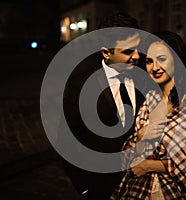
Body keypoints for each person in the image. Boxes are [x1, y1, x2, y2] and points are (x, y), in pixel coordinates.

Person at [110, 31, 186, 199]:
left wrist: (149, 165)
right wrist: (140, 137)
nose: (154, 67)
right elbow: (131, 153)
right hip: (143, 188)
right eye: (149, 61)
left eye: (161, 59)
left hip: (175, 191)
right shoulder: (150, 98)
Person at [62, 12, 145, 200]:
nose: (136, 56)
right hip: (100, 188)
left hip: (139, 185)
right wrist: (83, 186)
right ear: (106, 52)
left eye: (137, 49)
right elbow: (66, 139)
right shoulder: (82, 84)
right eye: (127, 51)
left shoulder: (145, 77)